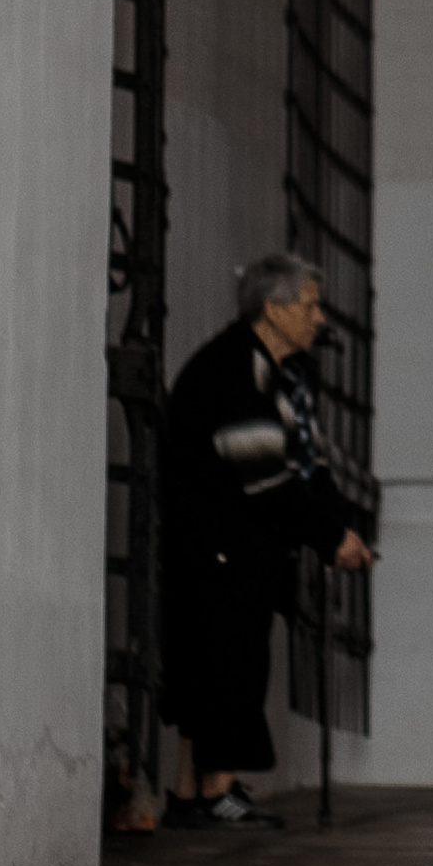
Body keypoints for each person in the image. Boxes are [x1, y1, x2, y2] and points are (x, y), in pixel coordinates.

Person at [161, 252, 375, 826]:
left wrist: (343, 528)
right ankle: (210, 792)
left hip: (243, 555)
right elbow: (267, 478)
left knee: (228, 663)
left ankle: (200, 791)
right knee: (222, 666)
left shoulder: (281, 375)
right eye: (308, 305)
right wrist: (332, 539)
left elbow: (310, 465)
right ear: (271, 308)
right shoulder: (234, 369)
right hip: (217, 552)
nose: (318, 318)